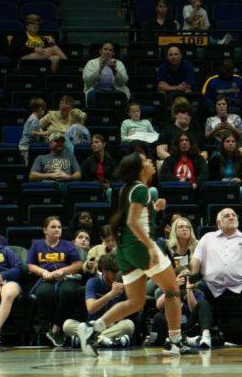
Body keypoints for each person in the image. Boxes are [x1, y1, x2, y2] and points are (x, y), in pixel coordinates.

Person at [78, 153, 190, 356]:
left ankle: (93, 330)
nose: (150, 163)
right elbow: (132, 222)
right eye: (146, 161)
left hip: (125, 251)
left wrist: (153, 208)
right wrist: (149, 246)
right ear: (140, 169)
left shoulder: (127, 189)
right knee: (173, 290)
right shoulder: (141, 189)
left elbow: (135, 217)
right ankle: (175, 342)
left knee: (135, 302)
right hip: (140, 246)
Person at [190, 208, 242, 349]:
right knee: (198, 289)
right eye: (227, 216)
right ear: (218, 223)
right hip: (212, 284)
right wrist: (194, 276)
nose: (231, 217)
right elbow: (196, 259)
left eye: (233, 215)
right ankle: (205, 333)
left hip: (240, 283)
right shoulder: (208, 238)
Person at [26, 216, 83, 347]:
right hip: (46, 278)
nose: (57, 229)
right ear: (45, 230)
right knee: (44, 293)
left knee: (67, 292)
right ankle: (51, 326)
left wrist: (62, 271)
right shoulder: (37, 245)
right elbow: (30, 265)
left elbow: (77, 264)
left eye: (59, 227)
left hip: (66, 278)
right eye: (53, 227)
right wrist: (43, 272)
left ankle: (56, 328)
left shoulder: (68, 245)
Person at [64, 254, 138, 349]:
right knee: (67, 325)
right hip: (93, 326)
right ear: (104, 271)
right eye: (113, 272)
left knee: (129, 325)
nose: (117, 275)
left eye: (119, 271)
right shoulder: (93, 282)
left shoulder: (123, 282)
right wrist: (111, 294)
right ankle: (106, 341)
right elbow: (91, 308)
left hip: (112, 327)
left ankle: (89, 340)